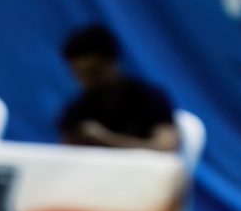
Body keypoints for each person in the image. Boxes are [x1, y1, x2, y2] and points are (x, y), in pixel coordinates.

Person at [58, 23, 180, 152]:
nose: (88, 80)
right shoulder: (77, 110)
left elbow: (166, 148)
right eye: (80, 74)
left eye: (94, 72)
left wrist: (106, 138)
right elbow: (66, 155)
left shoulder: (150, 98)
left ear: (113, 62)